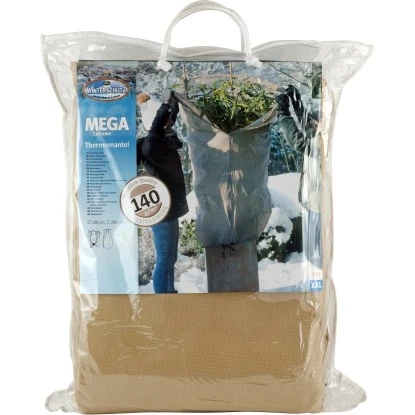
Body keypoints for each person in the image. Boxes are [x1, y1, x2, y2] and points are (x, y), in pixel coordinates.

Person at [138, 92, 189, 293]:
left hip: (171, 208)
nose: (169, 123)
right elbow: (157, 126)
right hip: (161, 210)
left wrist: (173, 101)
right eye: (165, 120)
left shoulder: (165, 141)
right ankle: (162, 300)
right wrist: (165, 105)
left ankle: (170, 294)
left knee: (171, 258)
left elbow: (167, 119)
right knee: (165, 258)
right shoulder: (151, 145)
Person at [276, 85, 322, 269]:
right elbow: (310, 125)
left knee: (317, 255)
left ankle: (323, 280)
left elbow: (298, 141)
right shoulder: (323, 130)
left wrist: (284, 114)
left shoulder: (324, 141)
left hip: (319, 205)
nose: (313, 123)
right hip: (313, 202)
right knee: (315, 253)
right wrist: (296, 105)